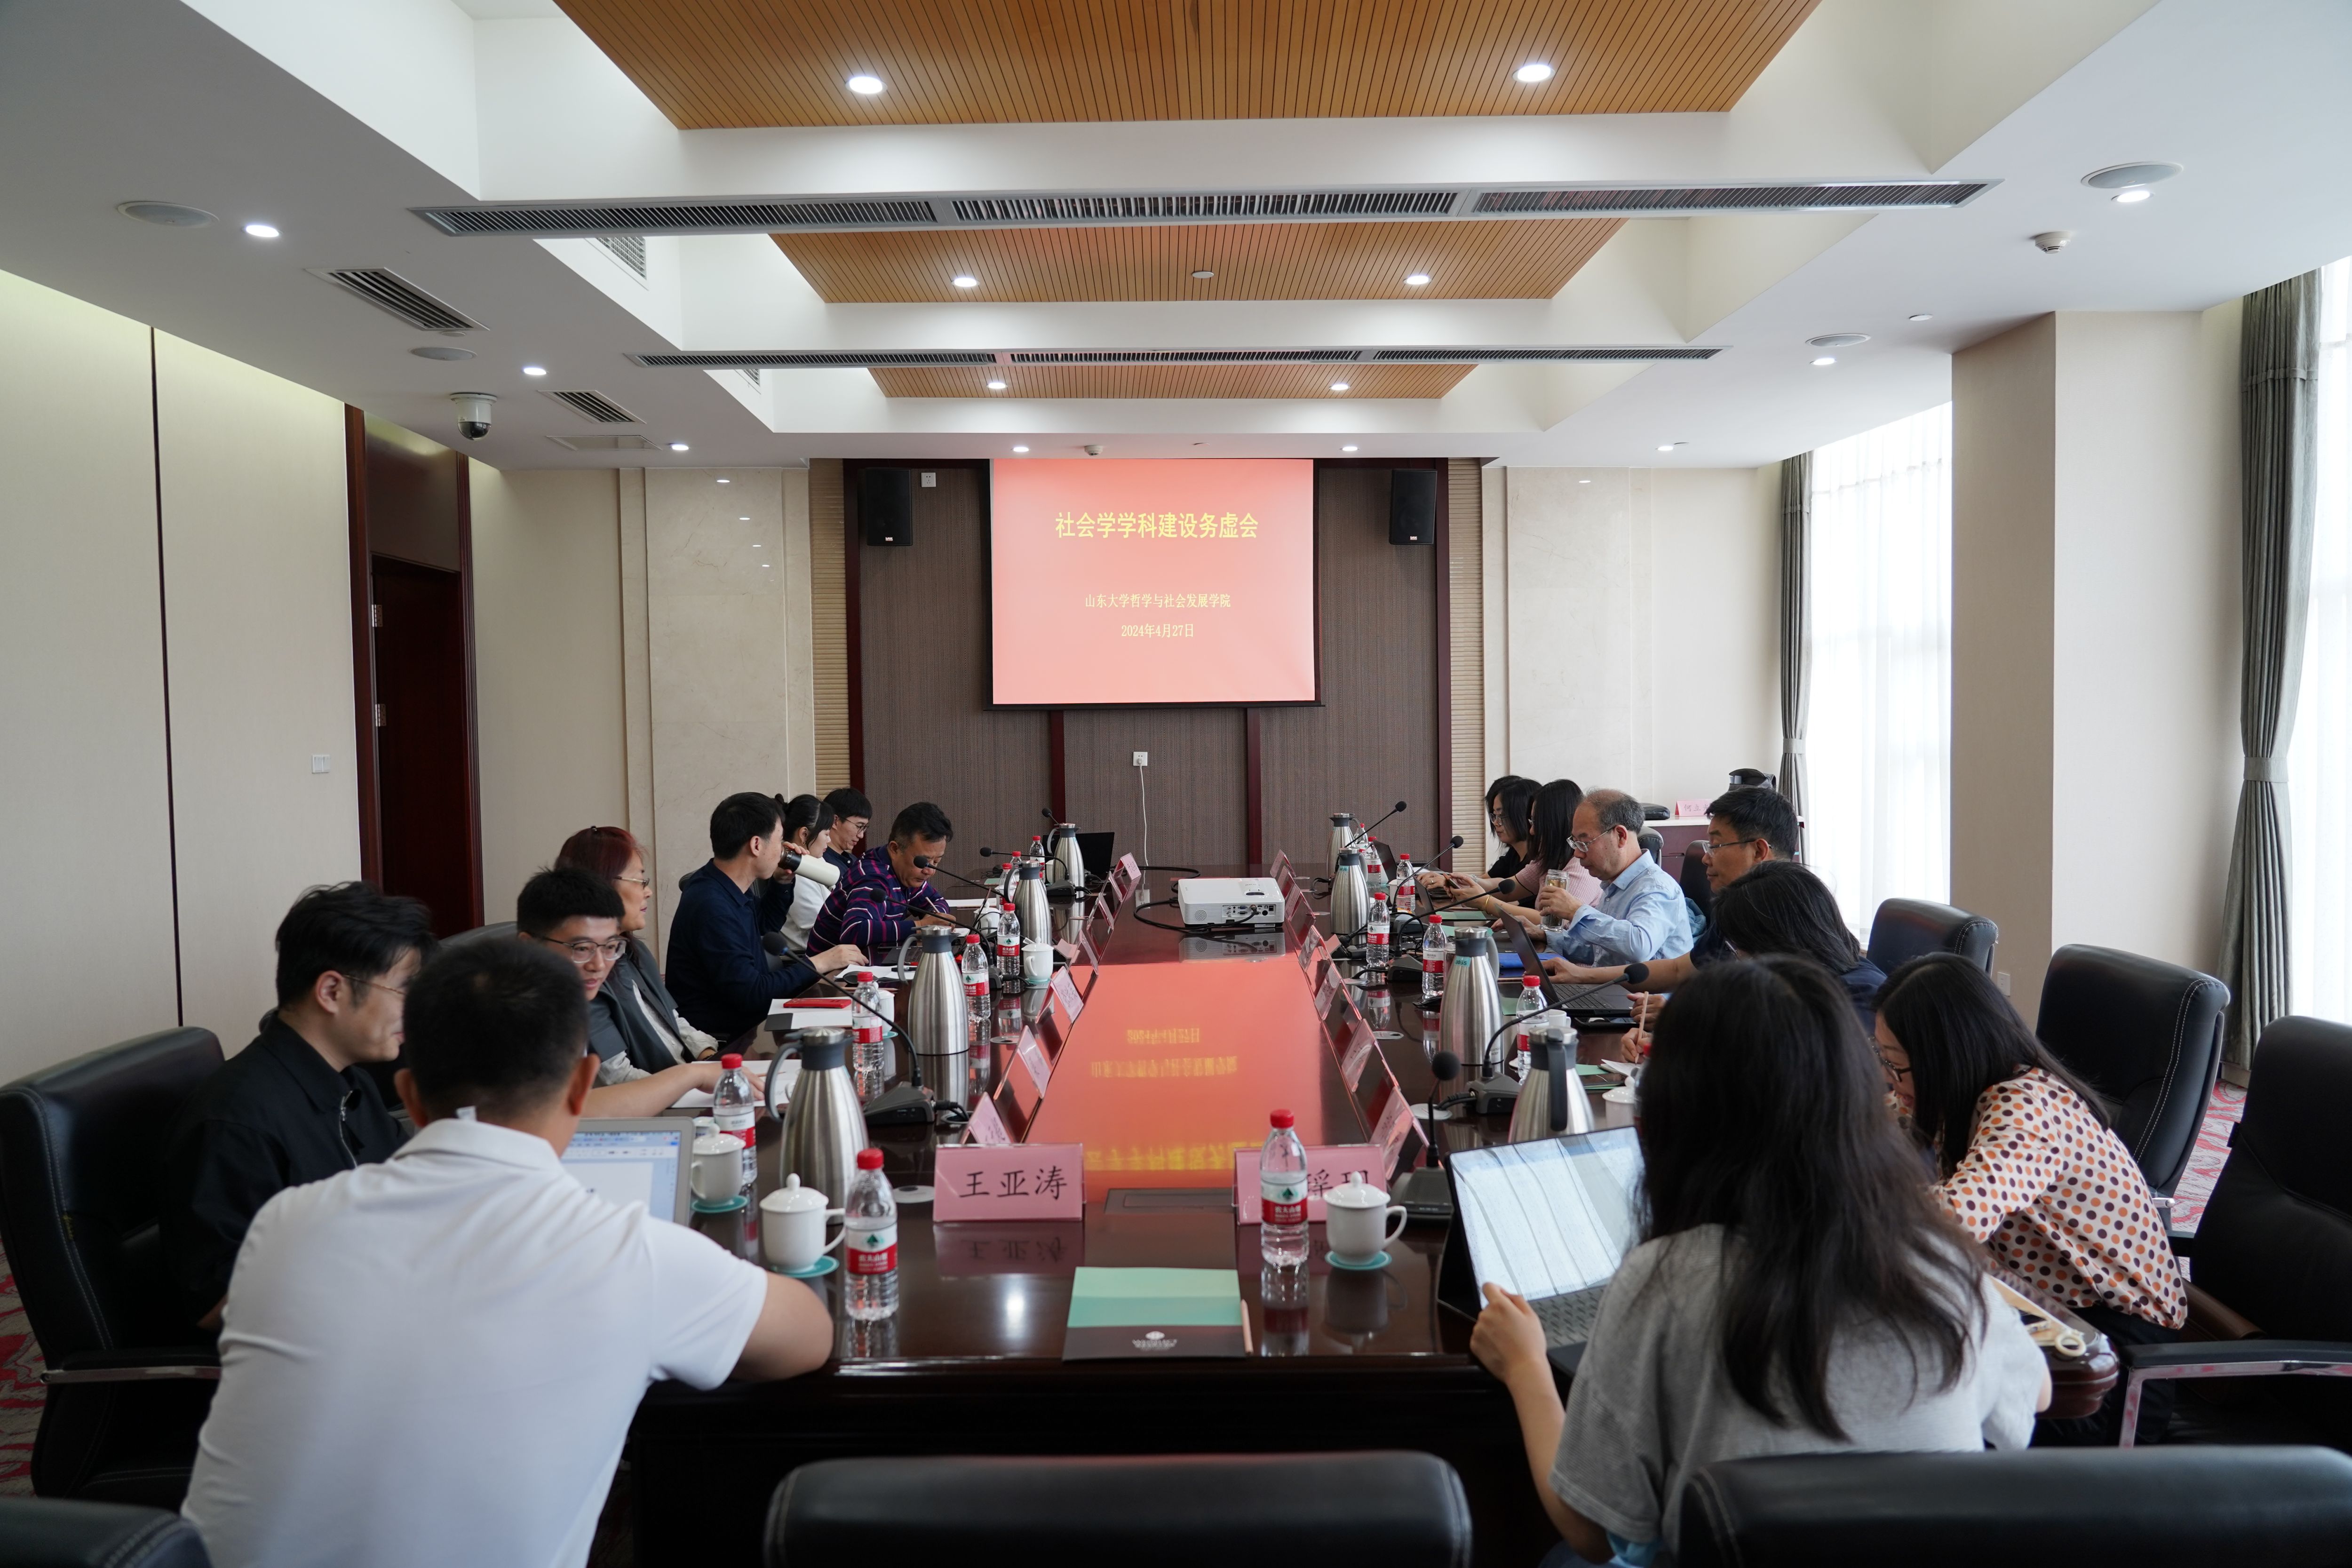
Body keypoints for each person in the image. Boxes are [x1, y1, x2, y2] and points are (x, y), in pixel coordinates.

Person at [180, 939, 834, 1568]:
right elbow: (808, 1337)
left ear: (410, 1095)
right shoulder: (630, 1254)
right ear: (582, 1086)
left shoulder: (285, 1224)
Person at [1470, 957, 2048, 1565]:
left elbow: (1591, 1530)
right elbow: (2034, 1392)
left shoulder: (1665, 1280)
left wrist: (1525, 1366)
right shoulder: (1943, 1262)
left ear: (1676, 1113)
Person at [1875, 953, 2187, 1443]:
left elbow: (1958, 1217)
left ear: (1944, 1054)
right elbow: (1854, 1129)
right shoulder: (1953, 1091)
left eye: (1896, 1064)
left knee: (1912, 1405)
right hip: (2041, 1315)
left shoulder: (2026, 1109)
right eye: (1883, 1060)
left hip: (2111, 1364)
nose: (1890, 1079)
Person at [160, 882, 435, 1331]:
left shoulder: (351, 1081)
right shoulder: (236, 1122)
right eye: (405, 989)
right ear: (331, 991)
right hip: (309, 1349)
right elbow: (217, 1306)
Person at [1542, 783, 1797, 994]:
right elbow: (1678, 971)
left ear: (1759, 851)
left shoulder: (1792, 912)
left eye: (1716, 846)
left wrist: (1682, 1014)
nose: (1706, 858)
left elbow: (1770, 1012)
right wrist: (1577, 971)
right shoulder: (1737, 908)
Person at [517, 867, 729, 1114]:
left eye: (610, 947)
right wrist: (691, 1076)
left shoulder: (569, 1008)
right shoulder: (515, 1022)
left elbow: (583, 1107)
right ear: (530, 946)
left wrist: (694, 1073)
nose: (599, 965)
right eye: (582, 948)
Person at [667, 793, 865, 1043]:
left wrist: (782, 881)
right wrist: (820, 963)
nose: (784, 849)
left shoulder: (725, 883)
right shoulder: (711, 905)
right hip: (729, 1038)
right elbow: (751, 994)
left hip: (753, 1019)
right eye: (780, 840)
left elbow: (765, 925)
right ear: (757, 845)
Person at [555, 826, 720, 1074]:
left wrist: (709, 1057)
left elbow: (672, 1020)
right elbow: (618, 1077)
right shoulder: (585, 976)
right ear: (601, 885)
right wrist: (695, 1078)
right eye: (640, 880)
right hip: (663, 1092)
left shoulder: (636, 951)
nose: (648, 891)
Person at [1708, 861, 1885, 1027]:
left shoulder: (1858, 1001)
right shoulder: (1801, 985)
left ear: (1778, 944)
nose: (1739, 959)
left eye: (1741, 950)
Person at [1537, 788, 1692, 966]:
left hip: (1643, 986)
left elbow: (1639, 947)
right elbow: (1599, 952)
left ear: (1620, 836)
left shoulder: (1656, 888)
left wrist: (1576, 911)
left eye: (1585, 843)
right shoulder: (1614, 884)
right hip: (1608, 984)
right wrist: (1545, 936)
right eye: (1575, 843)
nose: (1578, 853)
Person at [1427, 779, 1601, 924]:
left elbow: (1555, 923)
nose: (1532, 831)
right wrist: (1462, 882)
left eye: (1536, 823)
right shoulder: (1548, 859)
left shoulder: (1580, 867)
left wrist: (1485, 901)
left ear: (1554, 824)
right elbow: (1510, 887)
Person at [811, 800, 958, 955]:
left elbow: (936, 900)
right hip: (830, 968)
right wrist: (921, 926)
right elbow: (855, 930)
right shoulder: (874, 878)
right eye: (923, 862)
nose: (930, 871)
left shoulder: (906, 872)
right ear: (895, 849)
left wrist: (935, 918)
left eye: (936, 862)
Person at [772, 793, 839, 955]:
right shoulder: (794, 870)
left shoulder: (815, 860)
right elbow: (823, 927)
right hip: (809, 958)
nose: (829, 841)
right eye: (827, 834)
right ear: (804, 834)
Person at [1483, 775, 1538, 881]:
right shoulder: (1514, 854)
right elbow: (1485, 880)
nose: (1496, 823)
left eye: (1501, 815)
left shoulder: (1537, 862)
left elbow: (1515, 890)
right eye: (1495, 815)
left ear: (1523, 814)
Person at [822, 787, 873, 869]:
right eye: (859, 826)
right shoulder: (820, 863)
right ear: (835, 821)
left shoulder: (854, 860)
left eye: (864, 828)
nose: (861, 836)